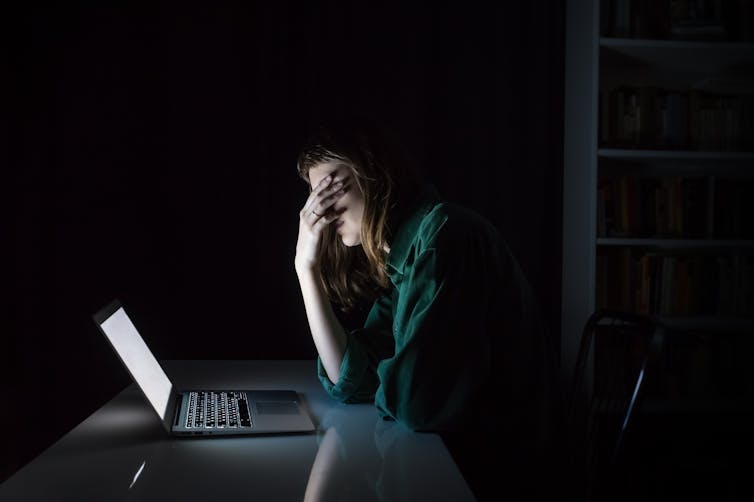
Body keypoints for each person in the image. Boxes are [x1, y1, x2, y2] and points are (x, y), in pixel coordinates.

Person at [294, 116, 560, 500]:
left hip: (499, 475)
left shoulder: (443, 238)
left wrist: (392, 378)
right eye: (314, 196)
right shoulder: (406, 255)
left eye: (330, 189)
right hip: (458, 464)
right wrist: (306, 268)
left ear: (372, 172)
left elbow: (415, 405)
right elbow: (351, 379)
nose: (322, 212)